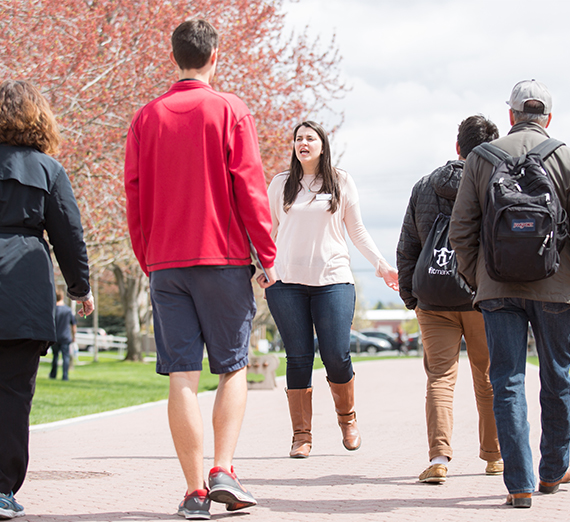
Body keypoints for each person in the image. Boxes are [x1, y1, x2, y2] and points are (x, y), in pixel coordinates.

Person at [124, 19, 277, 520]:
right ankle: (223, 470)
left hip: (166, 262)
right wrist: (266, 255)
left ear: (175, 57)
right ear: (215, 56)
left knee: (181, 376)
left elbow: (135, 193)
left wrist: (148, 255)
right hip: (223, 258)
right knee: (233, 368)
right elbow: (249, 186)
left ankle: (193, 492)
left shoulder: (146, 118)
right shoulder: (230, 110)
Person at [449, 80, 570, 508]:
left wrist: (479, 279)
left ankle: (518, 485)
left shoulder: (482, 158)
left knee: (507, 380)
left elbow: (460, 229)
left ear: (512, 117)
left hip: (497, 287)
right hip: (557, 289)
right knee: (559, 376)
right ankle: (553, 470)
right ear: (548, 119)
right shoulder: (563, 155)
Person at [265, 120, 399, 459]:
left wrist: (381, 264)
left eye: (310, 138)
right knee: (297, 358)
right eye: (298, 139)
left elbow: (357, 230)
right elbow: (269, 231)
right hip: (286, 283)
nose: (303, 143)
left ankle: (347, 418)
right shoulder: (281, 184)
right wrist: (260, 267)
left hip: (334, 281)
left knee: (336, 356)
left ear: (323, 145)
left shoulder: (341, 181)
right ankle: (301, 436)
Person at [0, 79, 94, 519]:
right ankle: (2, 489)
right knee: (14, 394)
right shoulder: (48, 170)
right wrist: (80, 289)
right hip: (23, 288)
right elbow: (68, 236)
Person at [397, 115, 502, 484]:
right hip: (482, 297)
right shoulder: (495, 183)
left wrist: (411, 295)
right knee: (488, 378)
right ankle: (494, 457)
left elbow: (408, 244)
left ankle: (439, 458)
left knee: (440, 379)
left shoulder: (425, 186)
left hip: (434, 298)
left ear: (458, 147)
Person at [49, 289, 77, 381]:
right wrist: (74, 336)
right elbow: (73, 325)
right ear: (62, 297)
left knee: (55, 356)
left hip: (55, 336)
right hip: (65, 337)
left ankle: (53, 374)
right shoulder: (68, 310)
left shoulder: (52, 310)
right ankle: (65, 376)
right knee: (66, 357)